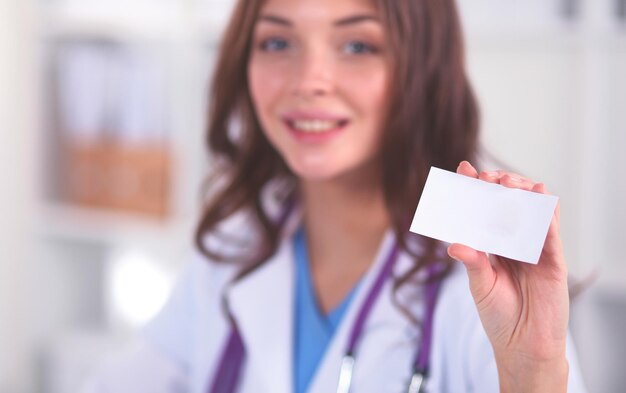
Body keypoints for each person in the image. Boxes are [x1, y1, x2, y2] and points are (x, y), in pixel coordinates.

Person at [83, 0, 588, 392]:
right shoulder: (234, 244)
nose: (308, 82)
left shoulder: (484, 272)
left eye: (357, 46)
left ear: (423, 66)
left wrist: (533, 375)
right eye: (278, 43)